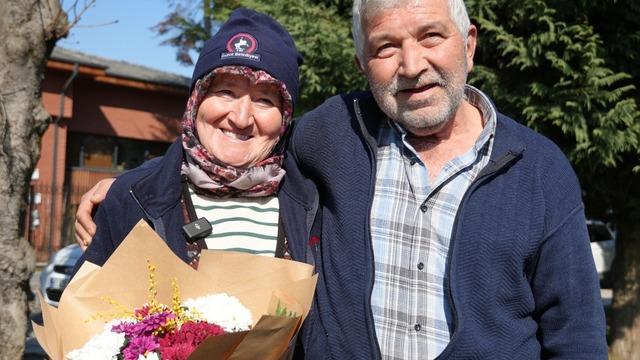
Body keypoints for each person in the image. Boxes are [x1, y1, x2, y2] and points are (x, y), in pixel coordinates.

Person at [76, 0, 608, 358]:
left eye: (431, 37)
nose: (412, 64)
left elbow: (576, 333)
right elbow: (234, 141)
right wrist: (136, 183)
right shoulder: (334, 134)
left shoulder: (539, 170)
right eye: (385, 47)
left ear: (468, 44)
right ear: (362, 62)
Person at [72, 7, 303, 273]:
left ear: (285, 116)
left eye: (265, 100)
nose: (241, 118)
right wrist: (129, 187)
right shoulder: (132, 199)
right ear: (196, 102)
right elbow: (81, 309)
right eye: (226, 92)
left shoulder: (314, 203)